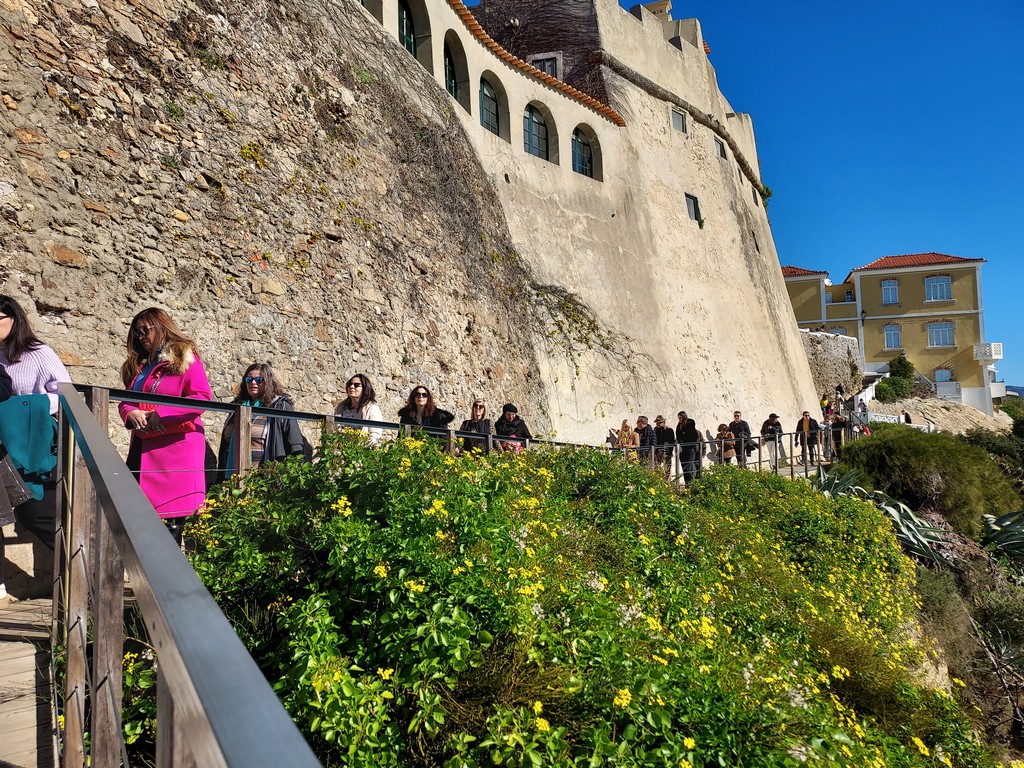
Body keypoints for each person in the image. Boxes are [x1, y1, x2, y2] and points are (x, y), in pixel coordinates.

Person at [118, 308, 212, 545]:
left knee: (170, 524)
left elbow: (201, 397)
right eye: (135, 332)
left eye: (144, 330)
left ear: (160, 327)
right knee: (138, 519)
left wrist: (163, 414)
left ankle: (169, 580)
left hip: (175, 452)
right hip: (143, 448)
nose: (140, 336)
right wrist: (131, 412)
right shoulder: (143, 366)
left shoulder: (185, 358)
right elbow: (126, 400)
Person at [0, 295, 71, 603]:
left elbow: (65, 394)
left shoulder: (37, 352)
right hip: (11, 448)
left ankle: (84, 575)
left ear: (13, 319)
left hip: (42, 445)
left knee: (38, 513)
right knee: (28, 513)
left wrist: (27, 408)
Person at [219, 363, 307, 476]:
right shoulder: (237, 407)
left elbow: (294, 443)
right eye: (249, 379)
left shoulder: (279, 407)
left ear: (268, 382)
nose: (253, 382)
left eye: (259, 379)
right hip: (233, 480)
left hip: (265, 479)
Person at [335, 373, 384, 444]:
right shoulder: (340, 408)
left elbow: (375, 435)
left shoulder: (372, 409)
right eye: (349, 384)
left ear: (364, 388)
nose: (351, 387)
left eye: (356, 385)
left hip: (362, 452)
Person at [675, 410, 701, 483]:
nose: (679, 419)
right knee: (684, 466)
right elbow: (678, 435)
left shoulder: (690, 422)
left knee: (689, 466)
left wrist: (684, 435)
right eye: (678, 418)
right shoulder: (678, 426)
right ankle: (687, 483)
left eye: (681, 417)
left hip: (690, 447)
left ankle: (692, 482)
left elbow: (691, 434)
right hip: (683, 448)